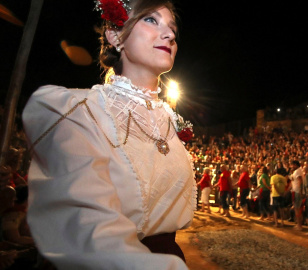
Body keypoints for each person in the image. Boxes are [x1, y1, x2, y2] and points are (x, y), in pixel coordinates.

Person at [22, 1, 194, 268]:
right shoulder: (78, 112)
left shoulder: (170, 123)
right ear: (115, 37)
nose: (169, 35)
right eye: (150, 20)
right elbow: (85, 230)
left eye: (172, 29)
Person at [289, 160, 304, 230]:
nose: (291, 166)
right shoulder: (298, 171)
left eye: (292, 165)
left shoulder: (297, 171)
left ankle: (299, 225)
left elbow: (300, 181)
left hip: (297, 192)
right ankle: (299, 224)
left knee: (297, 209)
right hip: (296, 191)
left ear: (295, 165)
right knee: (297, 208)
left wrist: (300, 191)